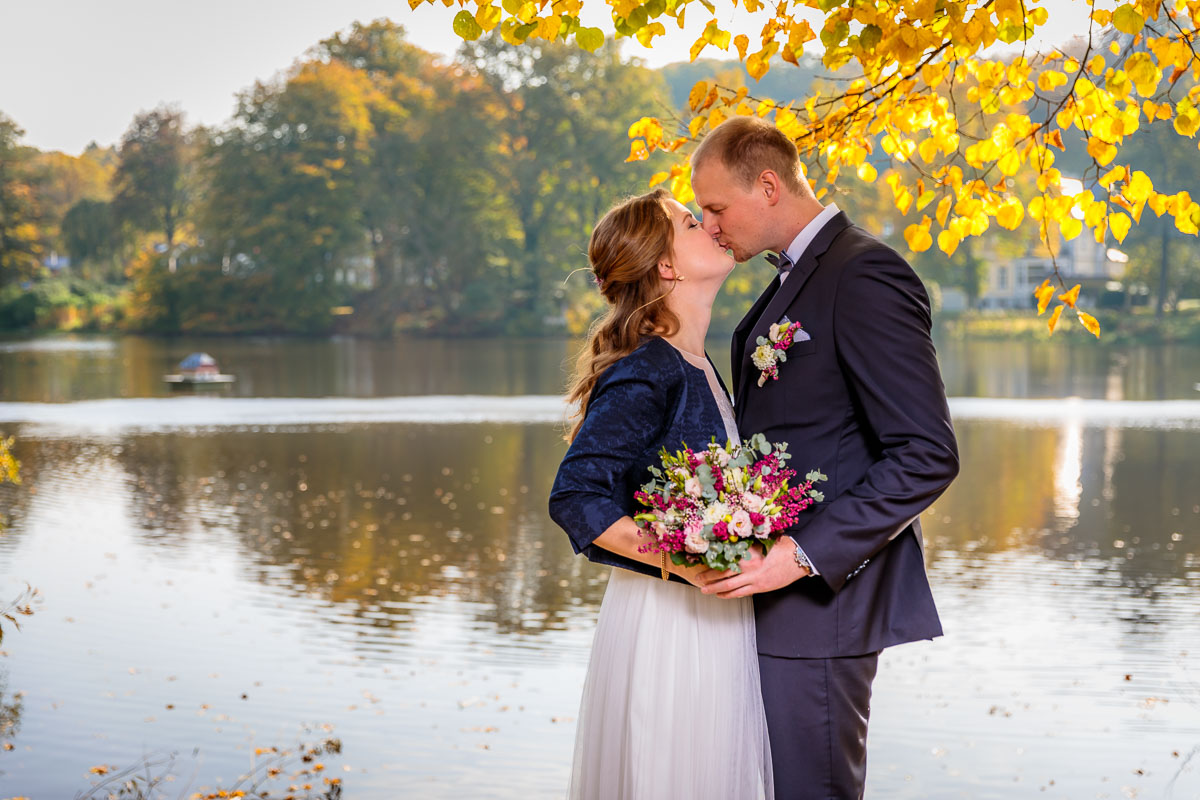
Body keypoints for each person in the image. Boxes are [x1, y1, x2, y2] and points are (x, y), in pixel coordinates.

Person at [689, 115, 961, 799]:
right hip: (773, 602)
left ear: (768, 186)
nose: (710, 226)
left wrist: (801, 555)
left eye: (716, 208)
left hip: (823, 604)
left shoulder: (863, 272)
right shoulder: (793, 279)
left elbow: (926, 453)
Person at [548, 189, 773, 799]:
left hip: (717, 620)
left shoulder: (697, 363)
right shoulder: (649, 366)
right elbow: (576, 496)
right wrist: (685, 560)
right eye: (692, 223)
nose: (712, 227)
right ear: (666, 266)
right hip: (672, 628)